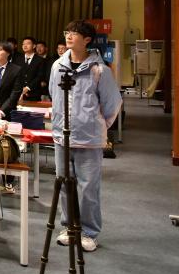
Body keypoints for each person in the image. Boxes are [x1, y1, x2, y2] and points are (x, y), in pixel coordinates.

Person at [50, 21, 122, 252]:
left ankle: (89, 232)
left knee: (89, 187)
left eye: (75, 33)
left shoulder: (99, 70)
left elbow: (112, 105)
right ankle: (69, 227)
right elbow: (54, 95)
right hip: (62, 135)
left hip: (89, 138)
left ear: (87, 39)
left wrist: (96, 125)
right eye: (67, 32)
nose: (69, 36)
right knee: (64, 184)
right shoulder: (57, 66)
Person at [0, 41, 23, 119]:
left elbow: (15, 93)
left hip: (7, 113)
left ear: (8, 53)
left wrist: (2, 111)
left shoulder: (16, 70)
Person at [17, 36, 46, 101]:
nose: (25, 46)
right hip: (19, 92)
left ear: (34, 46)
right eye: (23, 44)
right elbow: (16, 75)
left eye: (28, 43)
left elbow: (40, 76)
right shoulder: (18, 59)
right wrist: (21, 89)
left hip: (34, 93)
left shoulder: (40, 60)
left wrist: (28, 88)